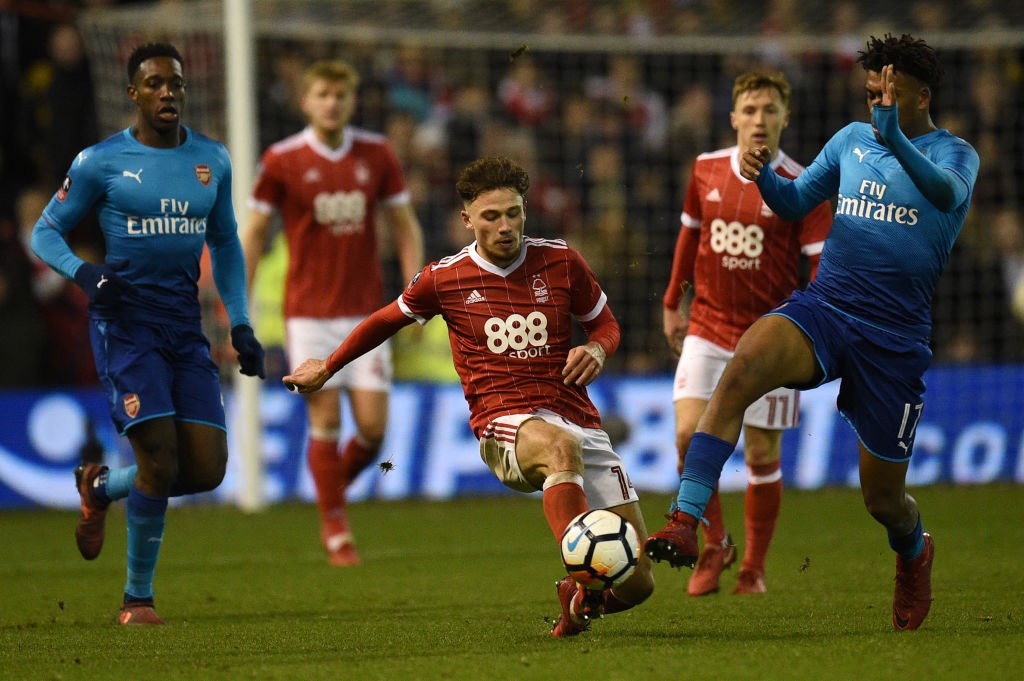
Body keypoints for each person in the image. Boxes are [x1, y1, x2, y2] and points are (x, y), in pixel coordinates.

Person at [646, 34, 978, 632]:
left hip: (894, 338)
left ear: (921, 96)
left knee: (883, 501)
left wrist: (895, 136)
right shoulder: (850, 140)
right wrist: (762, 178)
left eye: (891, 92)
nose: (878, 101)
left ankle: (914, 551)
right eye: (872, 89)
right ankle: (685, 519)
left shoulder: (956, 155)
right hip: (827, 309)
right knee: (742, 366)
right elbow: (796, 201)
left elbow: (945, 194)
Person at [283, 156, 654, 637]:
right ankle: (579, 569)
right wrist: (328, 366)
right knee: (560, 449)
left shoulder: (561, 260)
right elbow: (384, 321)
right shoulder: (445, 277)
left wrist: (599, 349)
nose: (505, 226)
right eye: (491, 216)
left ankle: (582, 601)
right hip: (505, 423)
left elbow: (604, 323)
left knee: (639, 582)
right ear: (467, 219)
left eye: (514, 213)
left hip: (577, 416)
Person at [31, 42, 266, 625]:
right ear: (133, 92)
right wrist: (86, 274)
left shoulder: (212, 159)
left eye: (176, 84)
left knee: (207, 470)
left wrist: (240, 323)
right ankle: (138, 599)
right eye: (155, 84)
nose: (168, 93)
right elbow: (45, 232)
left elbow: (227, 242)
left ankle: (102, 485)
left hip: (184, 328)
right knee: (160, 461)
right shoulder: (100, 161)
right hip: (126, 327)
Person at [241, 59, 424, 566]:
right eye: (322, 94)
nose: (331, 103)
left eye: (340, 96)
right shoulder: (282, 159)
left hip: (368, 311)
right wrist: (239, 301)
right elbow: (254, 233)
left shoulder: (378, 154)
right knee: (325, 417)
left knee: (372, 430)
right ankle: (336, 529)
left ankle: (330, 492)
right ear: (306, 101)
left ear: (352, 101)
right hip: (309, 314)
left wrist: (414, 291)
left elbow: (405, 227)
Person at [662, 71, 832, 596]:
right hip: (709, 325)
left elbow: (821, 270)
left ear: (786, 118)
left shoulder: (805, 188)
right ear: (734, 117)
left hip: (769, 338)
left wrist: (810, 331)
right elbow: (690, 235)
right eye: (751, 110)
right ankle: (714, 543)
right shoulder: (705, 170)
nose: (760, 119)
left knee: (761, 454)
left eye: (770, 110)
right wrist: (674, 300)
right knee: (688, 435)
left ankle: (753, 568)